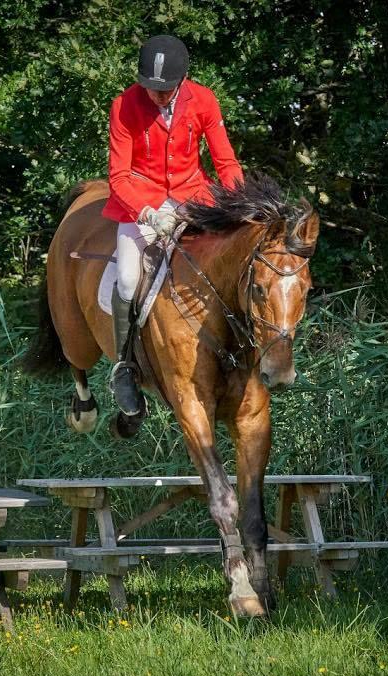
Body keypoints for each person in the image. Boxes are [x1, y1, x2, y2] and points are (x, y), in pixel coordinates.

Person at [102, 34, 245, 415]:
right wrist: (148, 211)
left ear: (183, 80)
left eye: (165, 89)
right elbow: (118, 175)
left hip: (194, 199)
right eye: (151, 88)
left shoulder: (204, 100)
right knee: (129, 280)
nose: (157, 96)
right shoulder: (123, 105)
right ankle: (123, 367)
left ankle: (246, 353)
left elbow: (226, 164)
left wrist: (235, 202)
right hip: (141, 201)